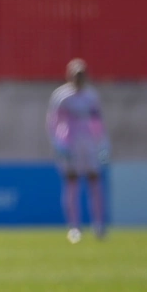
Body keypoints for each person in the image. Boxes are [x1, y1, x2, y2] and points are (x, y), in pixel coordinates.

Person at [46, 58, 110, 243]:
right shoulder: (61, 96)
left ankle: (99, 225)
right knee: (72, 182)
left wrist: (103, 144)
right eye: (76, 74)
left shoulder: (91, 96)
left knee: (94, 181)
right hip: (69, 144)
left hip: (89, 144)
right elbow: (52, 122)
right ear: (69, 75)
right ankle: (74, 227)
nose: (79, 78)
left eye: (82, 74)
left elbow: (98, 122)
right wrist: (57, 144)